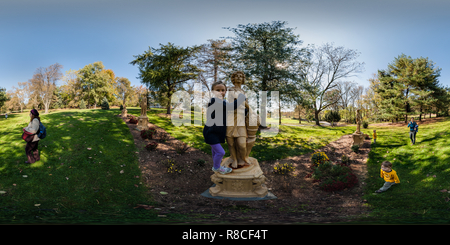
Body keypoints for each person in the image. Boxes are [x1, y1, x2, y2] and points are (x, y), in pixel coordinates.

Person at [203, 81, 245, 174]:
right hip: (211, 132)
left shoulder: (223, 102)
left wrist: (244, 111)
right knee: (220, 152)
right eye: (218, 90)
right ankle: (217, 168)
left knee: (215, 151)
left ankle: (216, 165)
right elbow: (230, 107)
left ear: (225, 91)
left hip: (217, 132)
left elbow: (228, 112)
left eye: (223, 90)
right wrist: (241, 98)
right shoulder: (214, 101)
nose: (221, 92)